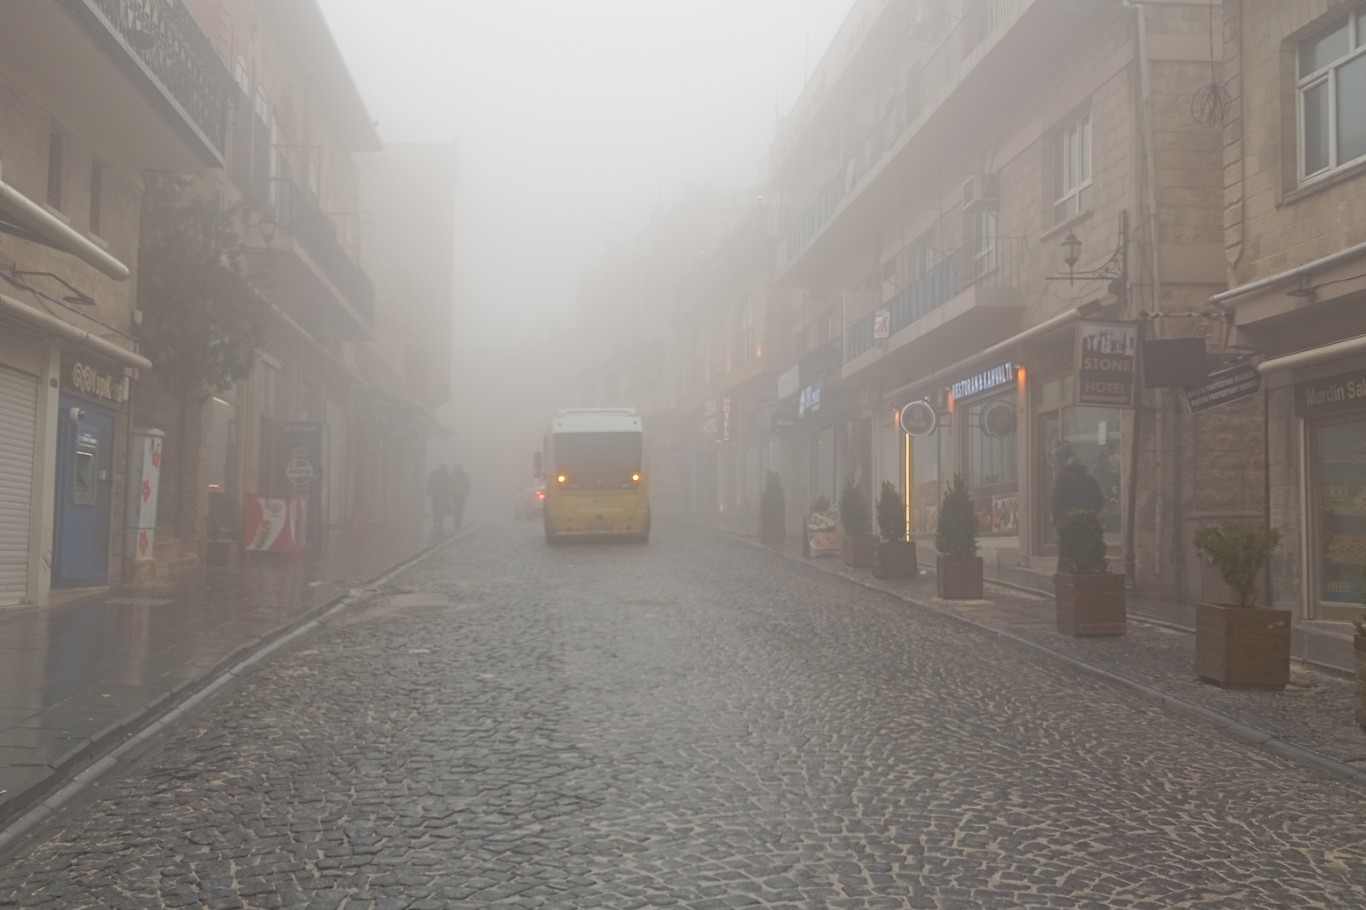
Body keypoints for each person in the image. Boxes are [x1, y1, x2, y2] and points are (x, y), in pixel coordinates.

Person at [1051, 454, 1104, 527]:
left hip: (1066, 519)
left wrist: (1056, 518)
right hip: (1085, 519)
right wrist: (1092, 513)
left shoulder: (1061, 479)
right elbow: (1099, 499)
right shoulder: (1089, 479)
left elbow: (1056, 500)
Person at [427, 464, 454, 535]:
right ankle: (440, 522)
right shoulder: (446, 474)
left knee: (435, 507)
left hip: (436, 493)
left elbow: (430, 482)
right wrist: (450, 492)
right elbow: (450, 484)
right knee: (442, 508)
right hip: (443, 494)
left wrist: (428, 490)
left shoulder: (434, 473)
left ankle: (436, 520)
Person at [451, 464, 471, 529]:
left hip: (458, 494)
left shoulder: (453, 475)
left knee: (458, 507)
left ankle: (457, 519)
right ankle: (458, 518)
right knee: (459, 507)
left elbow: (467, 485)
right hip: (459, 494)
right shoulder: (463, 475)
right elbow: (468, 485)